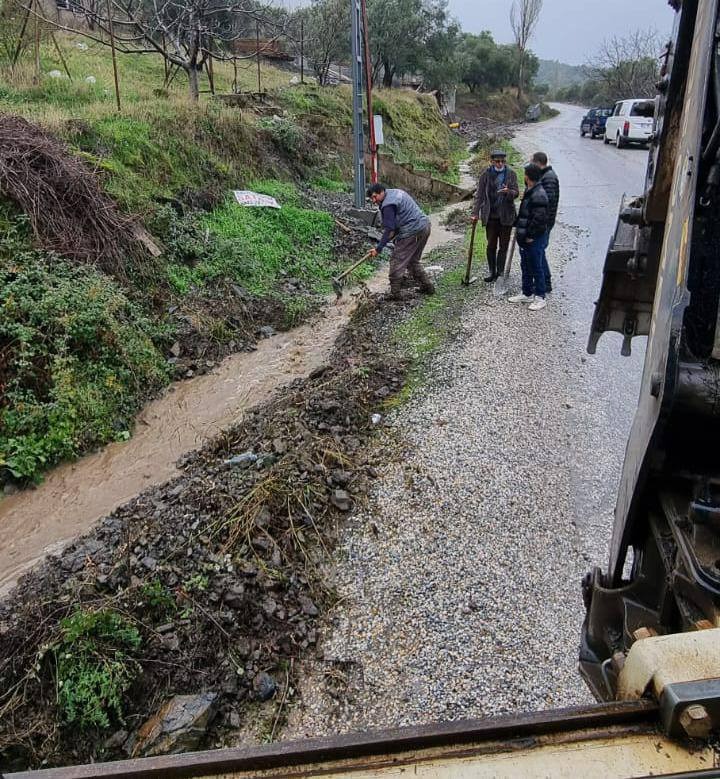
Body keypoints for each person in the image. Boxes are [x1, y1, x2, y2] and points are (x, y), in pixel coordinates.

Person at [367, 183, 435, 300]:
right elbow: (393, 231)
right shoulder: (394, 192)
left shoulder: (388, 205)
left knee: (397, 259)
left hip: (412, 231)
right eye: (371, 198)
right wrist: (380, 245)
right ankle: (427, 287)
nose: (374, 201)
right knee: (413, 261)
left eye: (375, 197)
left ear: (381, 192)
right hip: (424, 226)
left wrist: (378, 249)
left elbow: (390, 230)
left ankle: (395, 293)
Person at [470, 148, 519, 283]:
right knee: (491, 245)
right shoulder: (485, 175)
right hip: (490, 216)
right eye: (497, 161)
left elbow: (516, 193)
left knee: (504, 246)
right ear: (491, 161)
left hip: (506, 216)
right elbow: (479, 196)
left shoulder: (511, 174)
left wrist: (508, 192)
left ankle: (500, 271)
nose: (500, 164)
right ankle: (492, 272)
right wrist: (475, 213)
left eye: (502, 161)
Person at [509, 163, 549, 311]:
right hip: (524, 237)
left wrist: (531, 235)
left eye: (525, 173)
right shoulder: (530, 190)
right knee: (525, 265)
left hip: (533, 238)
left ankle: (540, 296)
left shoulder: (539, 194)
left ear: (528, 176)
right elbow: (525, 214)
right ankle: (527, 293)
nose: (523, 176)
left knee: (536, 266)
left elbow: (539, 219)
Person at [531, 151, 559, 293]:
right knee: (538, 251)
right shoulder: (545, 176)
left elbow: (545, 203)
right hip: (544, 222)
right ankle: (541, 280)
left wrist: (537, 223)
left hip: (544, 223)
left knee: (538, 251)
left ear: (537, 163)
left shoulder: (549, 178)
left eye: (532, 162)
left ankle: (545, 282)